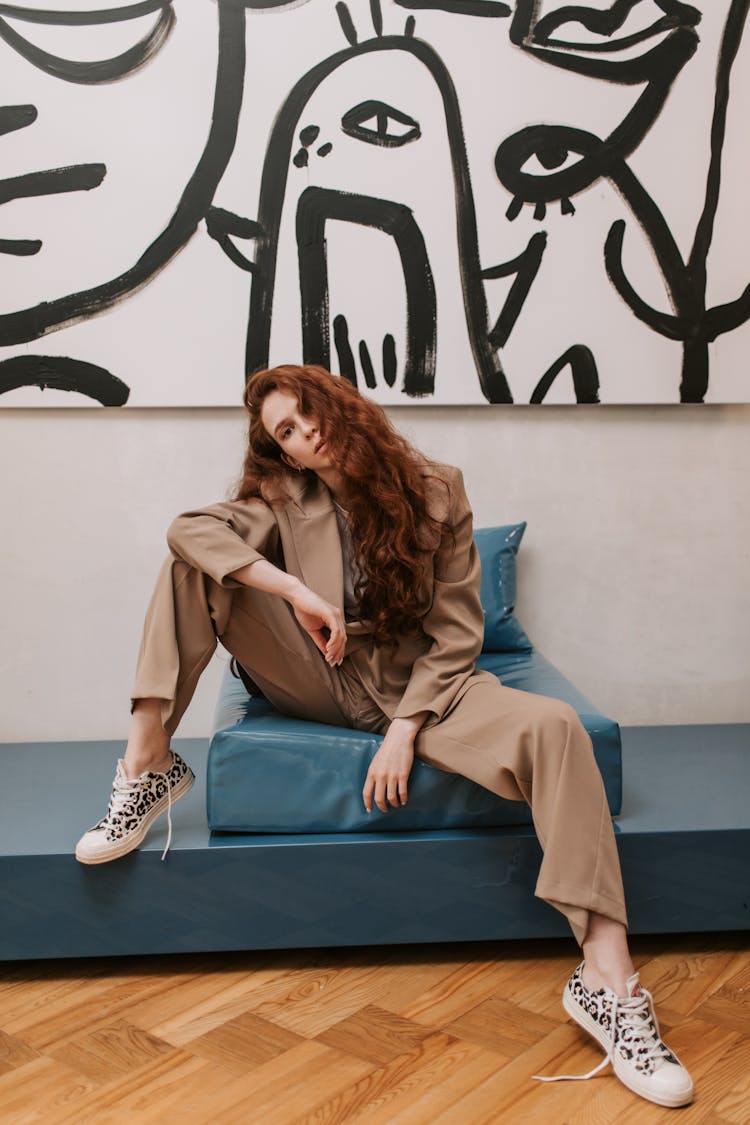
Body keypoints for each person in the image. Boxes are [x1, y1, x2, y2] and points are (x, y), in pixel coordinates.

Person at [76, 363, 693, 1109]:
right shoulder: (282, 496)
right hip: (318, 673)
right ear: (287, 453)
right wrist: (294, 590)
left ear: (340, 405)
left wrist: (404, 730)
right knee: (192, 565)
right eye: (287, 433)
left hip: (424, 691)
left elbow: (458, 632)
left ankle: (607, 981)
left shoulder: (438, 488)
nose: (306, 434)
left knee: (558, 727)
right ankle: (148, 764)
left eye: (308, 414)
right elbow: (188, 529)